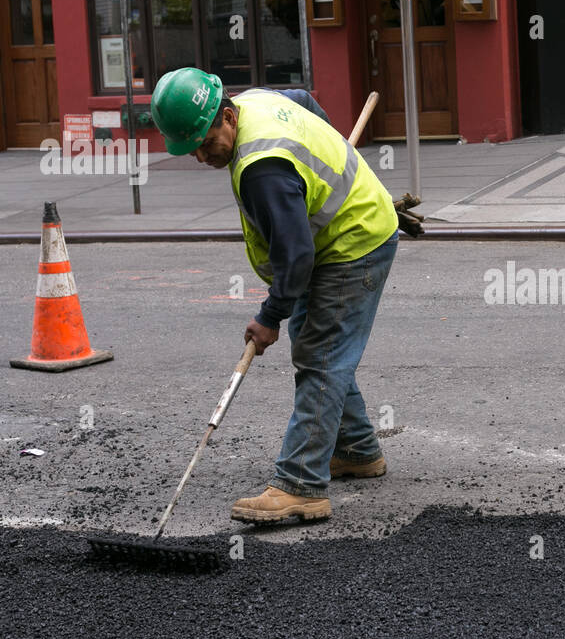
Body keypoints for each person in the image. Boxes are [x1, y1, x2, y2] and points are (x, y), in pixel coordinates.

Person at [151, 68, 399, 524]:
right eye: (192, 149)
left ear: (228, 116)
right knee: (317, 344)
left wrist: (269, 317)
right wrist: (331, 156)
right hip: (340, 233)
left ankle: (301, 485)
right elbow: (303, 100)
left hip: (353, 243)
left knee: (321, 357)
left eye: (206, 143)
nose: (203, 156)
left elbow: (295, 256)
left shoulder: (262, 169)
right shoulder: (256, 101)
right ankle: (356, 450)